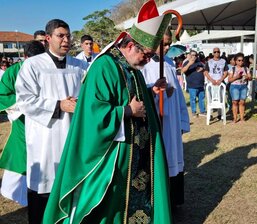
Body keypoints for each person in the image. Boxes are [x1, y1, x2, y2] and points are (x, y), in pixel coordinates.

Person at [42, 1, 174, 223]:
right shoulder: (104, 66)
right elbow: (93, 115)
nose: (148, 60)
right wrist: (126, 111)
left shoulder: (133, 68)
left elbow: (136, 101)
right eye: (147, 55)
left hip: (135, 154)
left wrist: (151, 92)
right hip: (112, 156)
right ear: (131, 46)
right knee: (109, 209)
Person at [15, 19, 88, 224]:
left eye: (68, 36)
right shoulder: (32, 65)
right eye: (60, 36)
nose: (66, 40)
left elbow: (93, 93)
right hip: (44, 139)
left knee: (73, 189)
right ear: (48, 39)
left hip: (74, 135)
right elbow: (24, 100)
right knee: (44, 187)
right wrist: (58, 105)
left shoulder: (81, 65)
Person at [141, 28, 190, 209]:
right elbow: (142, 92)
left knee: (173, 156)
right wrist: (156, 92)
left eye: (169, 43)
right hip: (157, 119)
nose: (168, 47)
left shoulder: (168, 62)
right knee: (160, 159)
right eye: (164, 43)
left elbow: (177, 94)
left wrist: (182, 120)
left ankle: (173, 200)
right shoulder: (144, 63)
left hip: (172, 119)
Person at [0, 40, 45, 207]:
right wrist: (23, 104)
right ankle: (14, 191)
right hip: (23, 119)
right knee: (21, 154)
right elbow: (3, 95)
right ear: (25, 57)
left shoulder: (48, 69)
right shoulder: (13, 72)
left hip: (45, 118)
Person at [204, 47, 228, 120]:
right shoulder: (209, 62)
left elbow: (226, 72)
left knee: (221, 98)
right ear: (213, 53)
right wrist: (211, 80)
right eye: (215, 52)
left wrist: (221, 79)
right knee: (210, 98)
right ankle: (210, 114)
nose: (216, 53)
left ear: (220, 52)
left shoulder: (223, 61)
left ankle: (220, 114)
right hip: (211, 82)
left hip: (220, 82)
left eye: (218, 52)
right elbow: (205, 72)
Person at [228, 53, 252, 123]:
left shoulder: (246, 68)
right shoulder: (232, 69)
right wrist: (237, 77)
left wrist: (248, 77)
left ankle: (242, 118)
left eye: (242, 60)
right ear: (235, 61)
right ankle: (235, 118)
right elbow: (229, 80)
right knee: (235, 102)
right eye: (239, 60)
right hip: (234, 86)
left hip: (243, 86)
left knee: (242, 102)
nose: (241, 62)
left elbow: (250, 78)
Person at [181, 49, 206, 117]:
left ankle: (202, 111)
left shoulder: (199, 62)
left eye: (195, 55)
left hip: (200, 85)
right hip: (192, 85)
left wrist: (202, 69)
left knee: (201, 99)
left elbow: (205, 69)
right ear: (189, 55)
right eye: (192, 55)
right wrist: (189, 63)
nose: (194, 57)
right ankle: (194, 112)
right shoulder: (186, 63)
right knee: (193, 99)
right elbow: (182, 71)